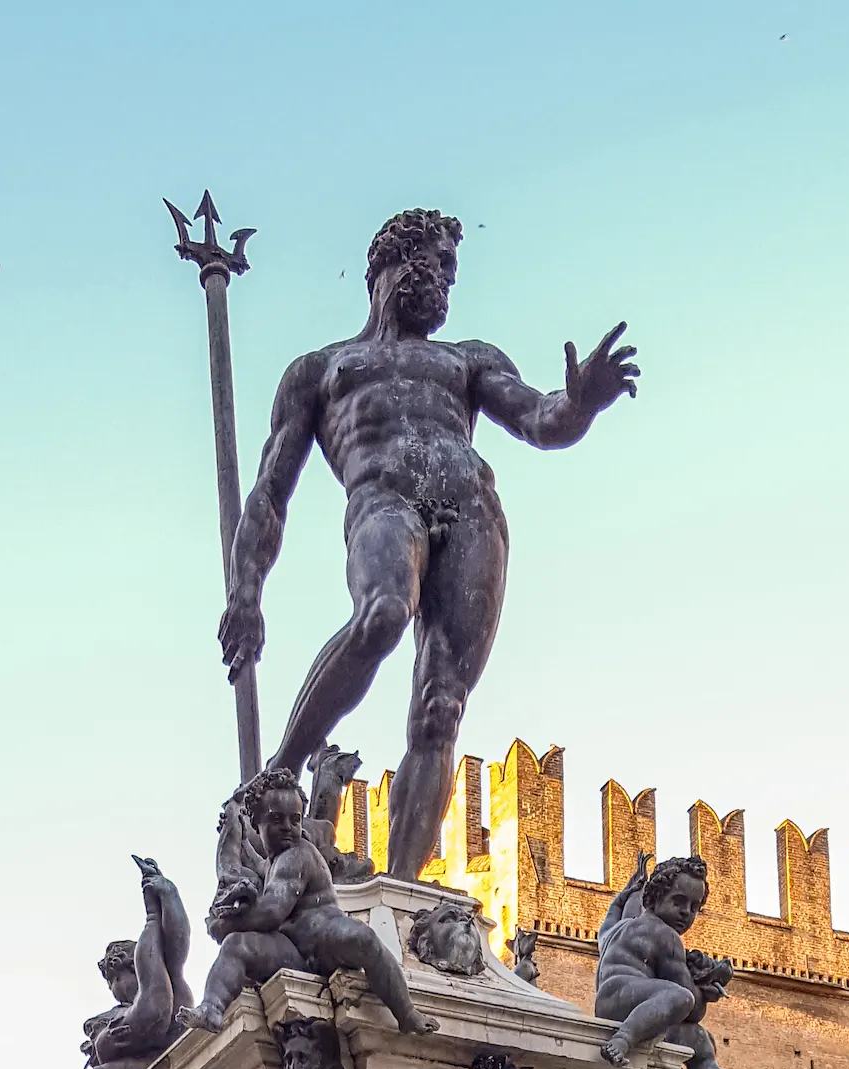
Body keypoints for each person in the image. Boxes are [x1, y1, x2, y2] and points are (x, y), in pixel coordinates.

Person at [218, 207, 638, 881]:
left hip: (473, 510)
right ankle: (278, 774)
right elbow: (269, 493)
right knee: (383, 609)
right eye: (435, 261)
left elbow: (539, 419)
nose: (443, 279)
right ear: (389, 262)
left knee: (442, 702)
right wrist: (246, 593)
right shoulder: (322, 370)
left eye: (450, 269)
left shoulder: (467, 360)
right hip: (382, 501)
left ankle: (404, 892)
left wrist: (581, 404)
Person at [186, 767, 437, 1039]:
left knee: (365, 940)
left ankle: (406, 1012)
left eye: (295, 819)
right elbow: (251, 864)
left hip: (326, 939)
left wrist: (226, 923)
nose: (287, 827)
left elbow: (271, 912)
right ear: (257, 821)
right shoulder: (273, 860)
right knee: (237, 946)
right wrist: (235, 831)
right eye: (277, 819)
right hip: (294, 952)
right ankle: (212, 1006)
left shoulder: (298, 855)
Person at [594, 852, 760, 1069]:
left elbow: (607, 921)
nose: (686, 912)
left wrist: (626, 894)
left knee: (698, 1041)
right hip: (623, 1001)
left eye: (694, 907)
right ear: (655, 897)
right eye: (679, 901)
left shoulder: (618, 928)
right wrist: (709, 987)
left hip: (620, 1001)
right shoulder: (667, 936)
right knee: (680, 997)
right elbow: (689, 1004)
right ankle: (623, 1040)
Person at [37, 857, 191, 1069]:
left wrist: (167, 894)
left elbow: (178, 937)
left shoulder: (168, 978)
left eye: (122, 976)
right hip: (147, 1068)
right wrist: (102, 1041)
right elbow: (100, 1057)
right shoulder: (110, 1015)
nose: (116, 986)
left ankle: (151, 916)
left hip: (176, 1055)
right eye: (111, 981)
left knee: (159, 972)